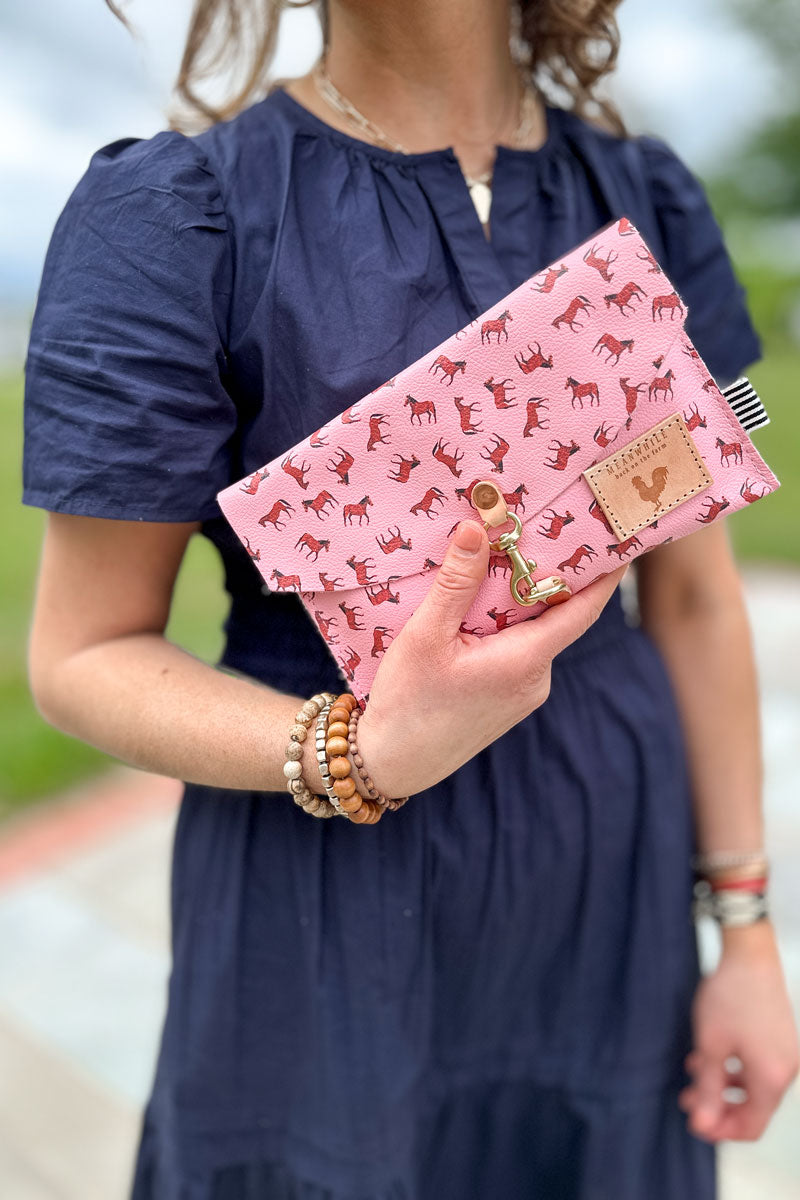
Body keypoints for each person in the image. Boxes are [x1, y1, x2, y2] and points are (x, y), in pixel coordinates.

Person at [21, 0, 799, 1196]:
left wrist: (744, 932)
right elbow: (81, 652)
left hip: (606, 892)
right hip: (326, 892)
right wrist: (355, 751)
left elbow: (691, 598)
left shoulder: (644, 191)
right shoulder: (181, 214)